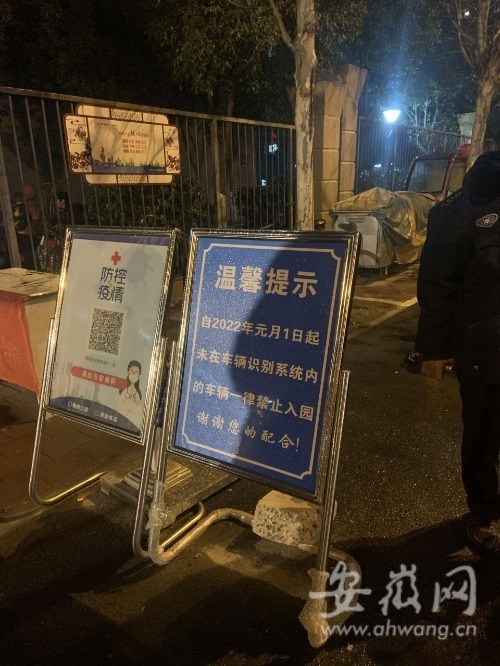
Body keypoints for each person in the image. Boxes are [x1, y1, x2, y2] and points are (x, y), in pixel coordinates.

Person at [415, 150, 500, 555]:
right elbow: (438, 282)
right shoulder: (472, 202)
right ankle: (485, 513)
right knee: (485, 435)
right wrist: (434, 348)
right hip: (486, 348)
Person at [118, 360, 143, 428]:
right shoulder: (124, 390)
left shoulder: (137, 393)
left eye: (136, 372)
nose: (133, 374)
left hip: (132, 422)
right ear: (128, 371)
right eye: (131, 371)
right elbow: (120, 405)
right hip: (122, 419)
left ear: (139, 374)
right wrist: (131, 405)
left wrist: (129, 406)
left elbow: (138, 408)